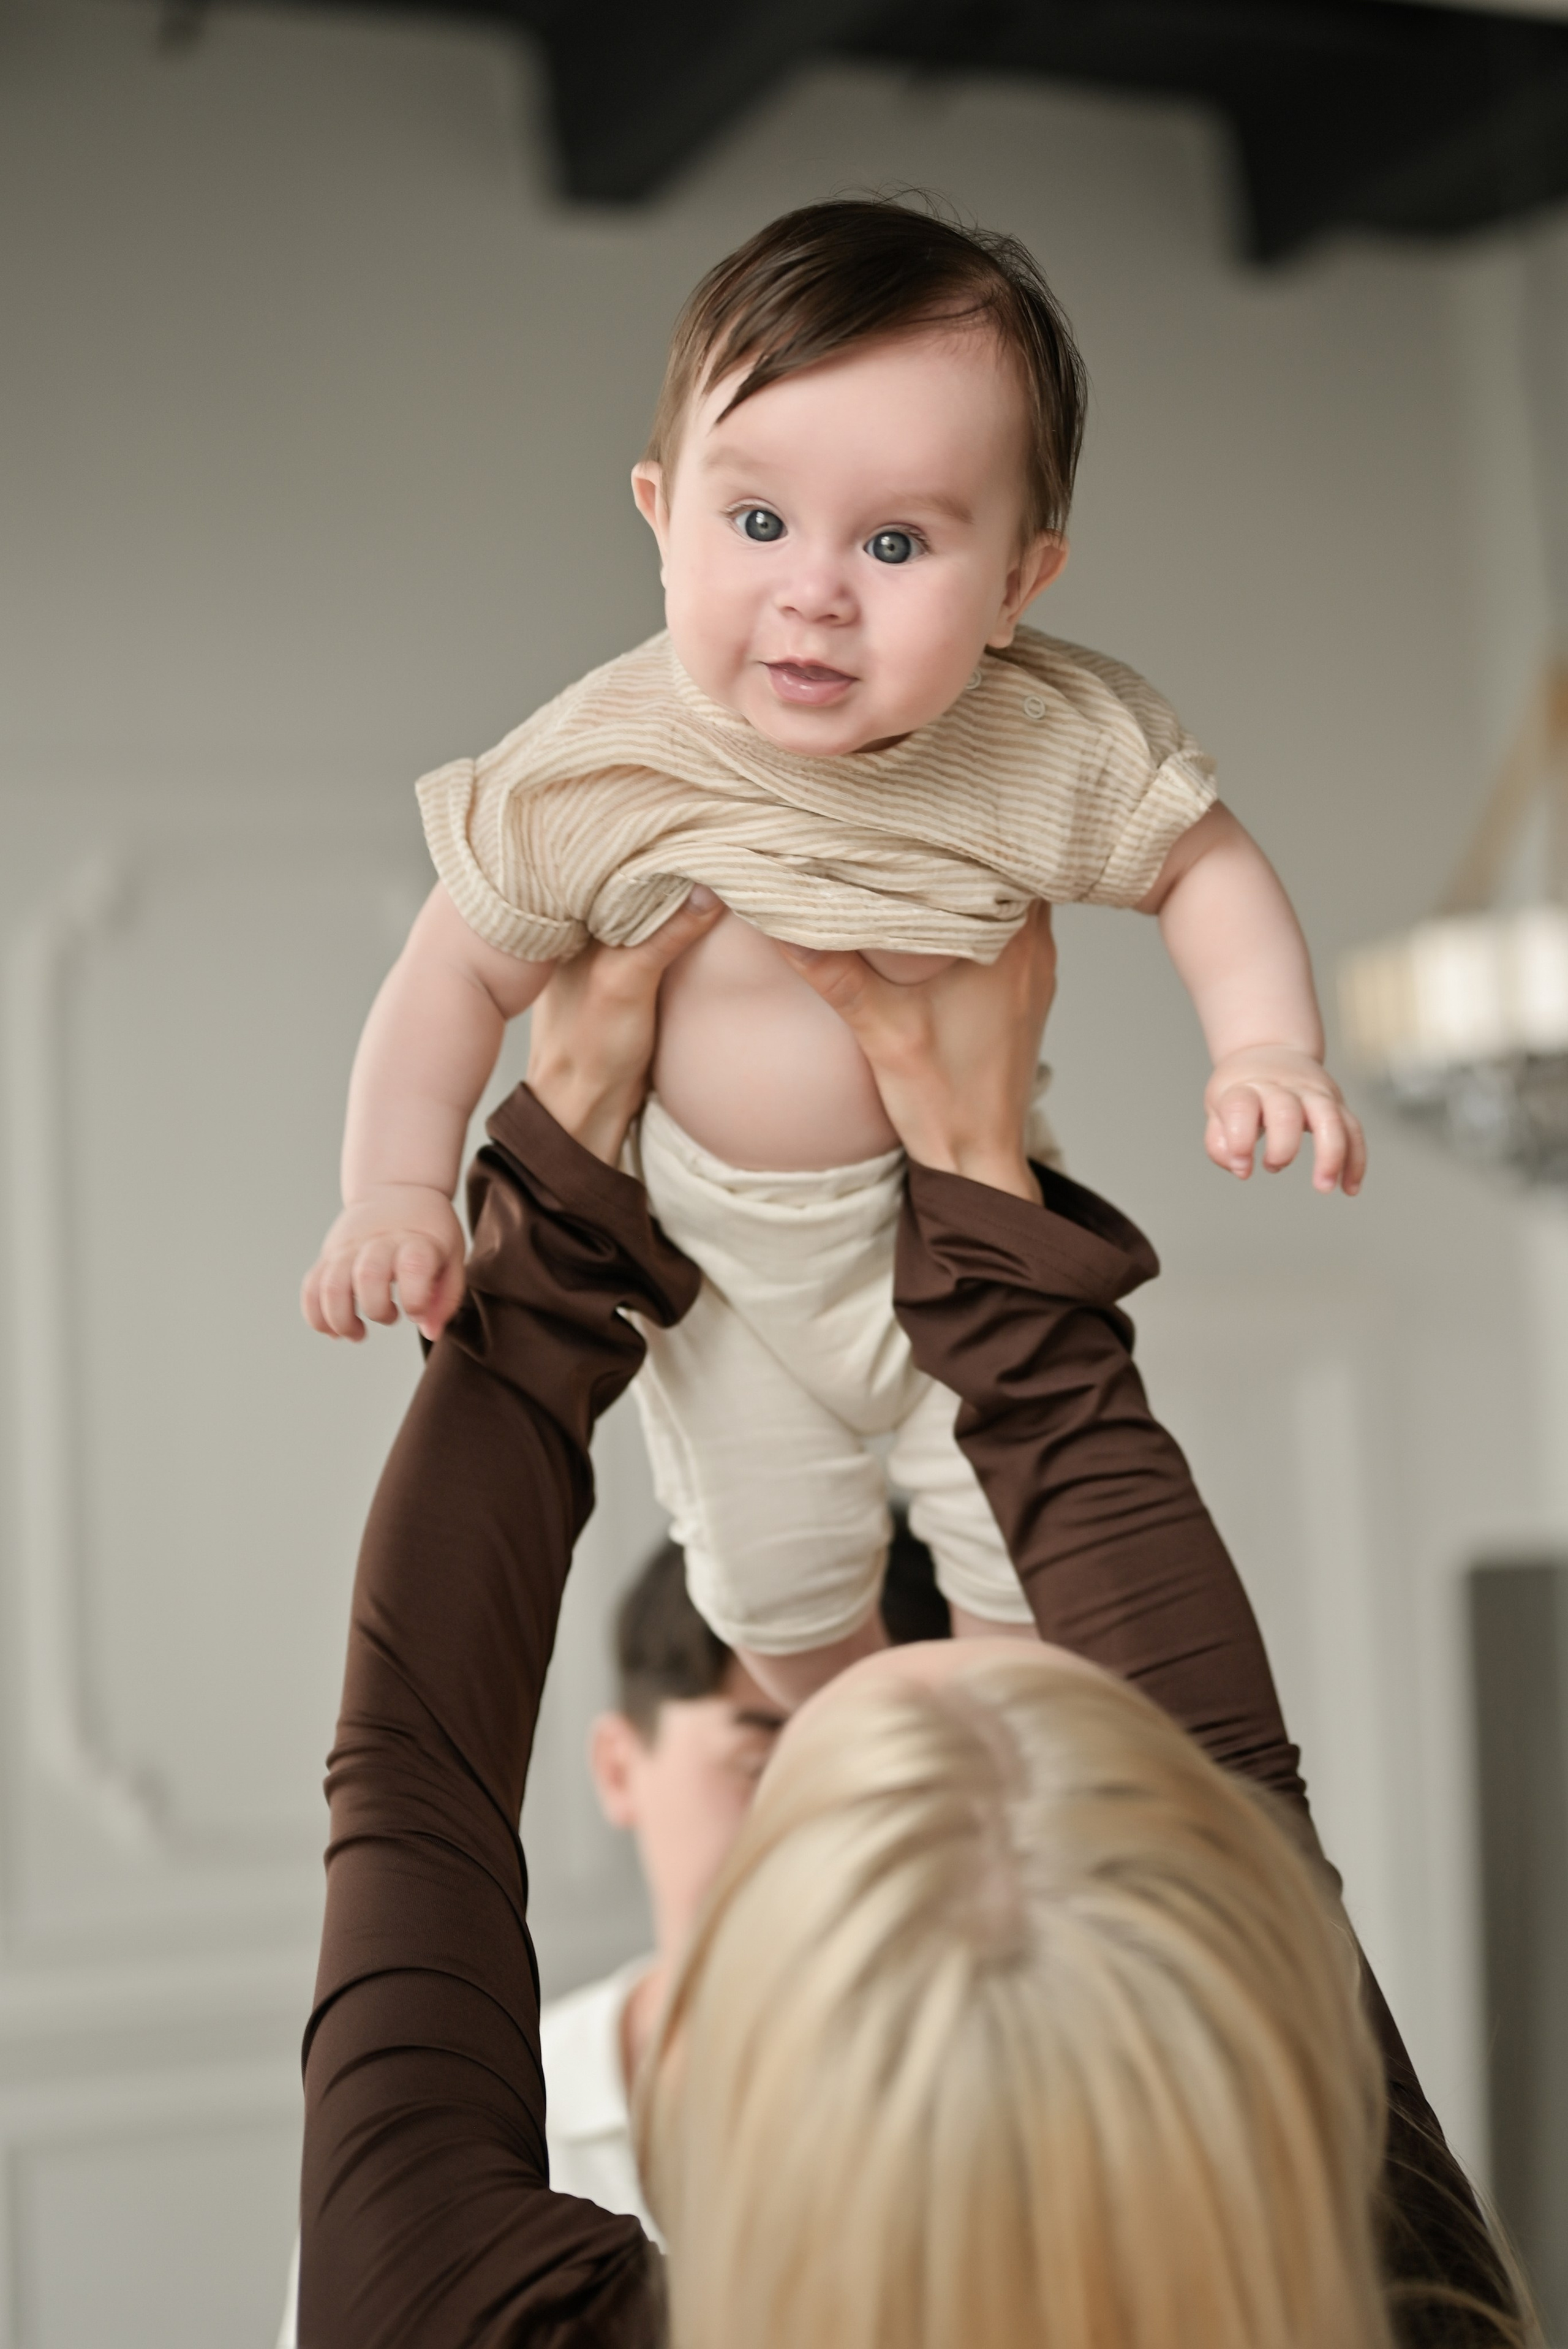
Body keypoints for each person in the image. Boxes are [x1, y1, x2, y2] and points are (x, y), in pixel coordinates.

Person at [296, 904, 1526, 2346]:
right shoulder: (1397, 2287)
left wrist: (560, 1203)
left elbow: (410, 1781)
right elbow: (410, 1787)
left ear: (717, 2062)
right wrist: (978, 1185)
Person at [301, 195, 1367, 1710]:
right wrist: (395, 1192)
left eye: (893, 540)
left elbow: (1203, 864)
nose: (814, 588)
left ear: (1014, 586)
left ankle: (990, 1773)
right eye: (754, 522)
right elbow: (450, 978)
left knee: (1023, 1586)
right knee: (773, 1587)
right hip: (723, 1265)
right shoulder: (602, 762)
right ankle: (848, 1752)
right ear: (659, 515)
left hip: (952, 1229)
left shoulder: (1038, 742)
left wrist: (1265, 1044)